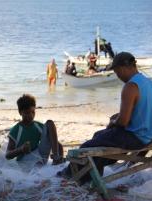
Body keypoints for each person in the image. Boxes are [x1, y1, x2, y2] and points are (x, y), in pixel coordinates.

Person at [59, 52, 152, 183]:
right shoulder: (148, 82)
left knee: (86, 147)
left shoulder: (130, 86)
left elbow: (123, 122)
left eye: (117, 72)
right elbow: (142, 111)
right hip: (148, 135)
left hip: (136, 137)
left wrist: (114, 121)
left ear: (122, 68)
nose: (118, 76)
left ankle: (68, 175)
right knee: (99, 138)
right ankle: (88, 177)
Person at [5, 94, 64, 167]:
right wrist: (21, 149)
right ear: (20, 112)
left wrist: (58, 157)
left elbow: (58, 145)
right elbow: (7, 155)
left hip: (40, 155)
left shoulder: (37, 126)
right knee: (38, 165)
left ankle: (56, 159)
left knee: (50, 123)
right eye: (27, 113)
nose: (31, 115)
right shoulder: (16, 130)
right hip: (25, 161)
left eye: (33, 112)